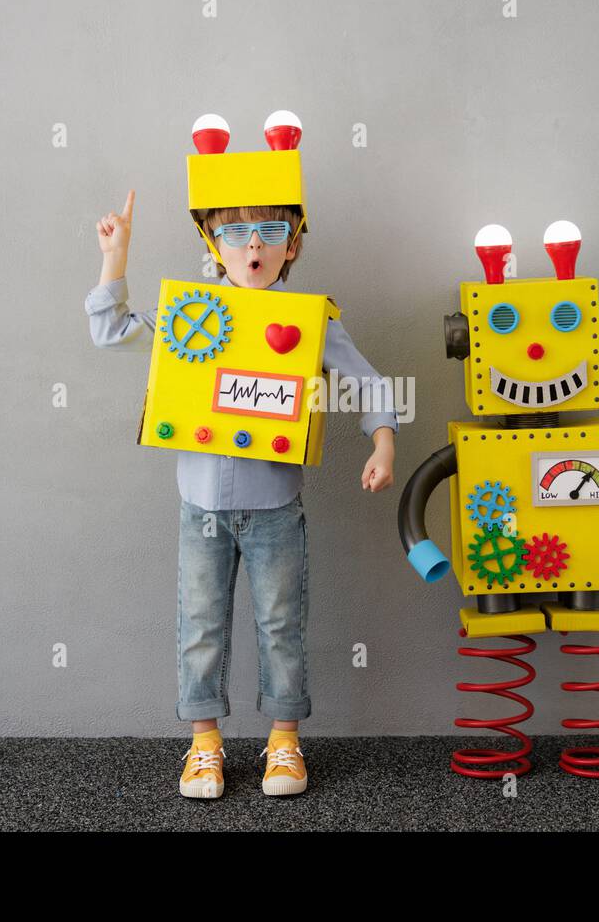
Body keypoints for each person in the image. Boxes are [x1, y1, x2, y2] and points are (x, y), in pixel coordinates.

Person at [85, 190, 398, 797]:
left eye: (269, 231)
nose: (253, 245)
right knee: (200, 623)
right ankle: (204, 746)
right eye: (236, 233)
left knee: (282, 622)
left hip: (276, 508)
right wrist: (115, 256)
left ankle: (285, 742)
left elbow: (372, 382)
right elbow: (111, 330)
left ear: (292, 244)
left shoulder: (311, 320)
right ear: (213, 243)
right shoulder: (191, 314)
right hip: (200, 506)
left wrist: (382, 443)